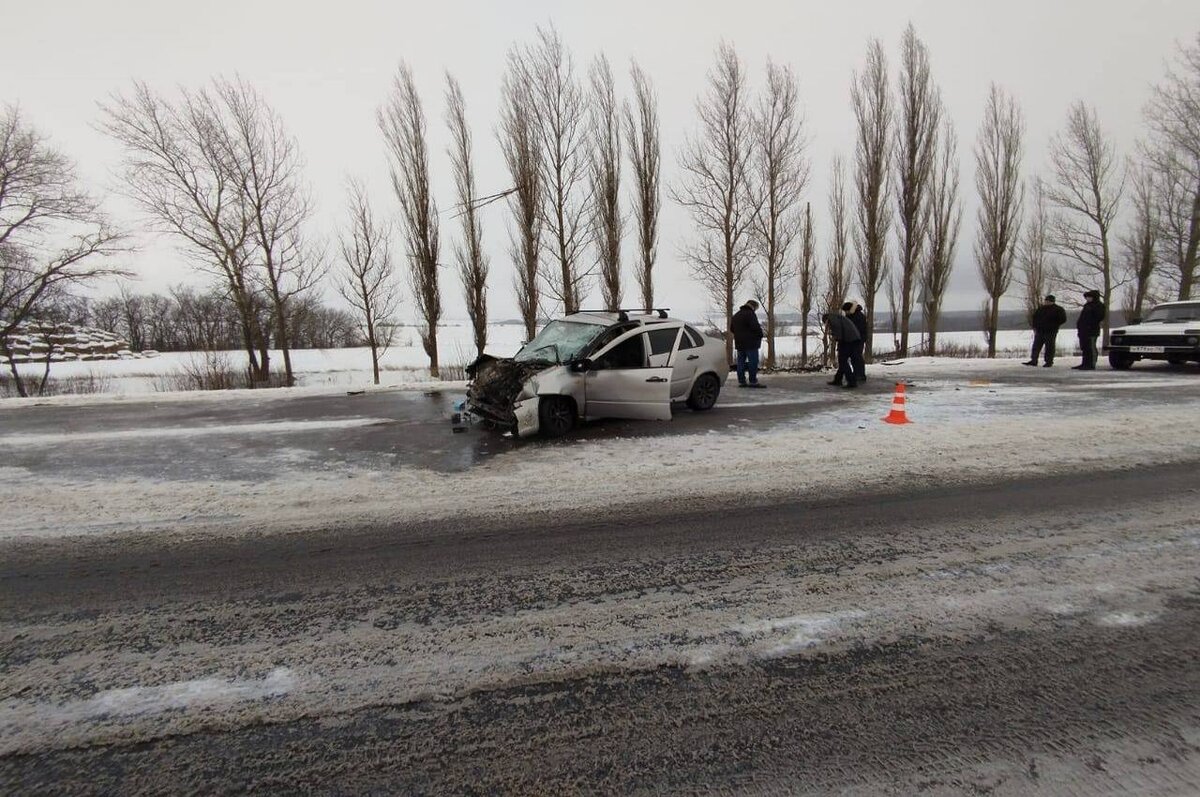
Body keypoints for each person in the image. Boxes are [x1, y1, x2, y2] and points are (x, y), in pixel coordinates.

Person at [1023, 294, 1067, 367]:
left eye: (1048, 301)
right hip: (1040, 330)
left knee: (1049, 346)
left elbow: (1063, 319)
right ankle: (1034, 360)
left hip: (1051, 331)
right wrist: (1035, 326)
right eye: (1046, 301)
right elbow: (1035, 317)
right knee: (1036, 346)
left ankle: (1049, 361)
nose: (1046, 302)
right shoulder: (1041, 309)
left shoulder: (1058, 309)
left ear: (1052, 301)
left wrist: (1054, 325)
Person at [731, 299, 765, 388]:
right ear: (753, 307)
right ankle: (753, 381)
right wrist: (760, 335)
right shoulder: (750, 314)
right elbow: (755, 327)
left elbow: (732, 329)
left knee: (740, 362)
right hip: (751, 343)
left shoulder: (736, 315)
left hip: (739, 343)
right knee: (753, 362)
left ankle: (742, 381)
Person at [825, 310, 863, 388]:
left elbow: (839, 333)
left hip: (848, 340)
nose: (827, 326)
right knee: (843, 361)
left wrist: (837, 339)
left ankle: (851, 381)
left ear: (827, 320)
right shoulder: (837, 318)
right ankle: (838, 380)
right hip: (853, 339)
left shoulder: (833, 320)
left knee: (843, 361)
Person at [1073, 290, 1105, 370]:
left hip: (1092, 330)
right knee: (1084, 348)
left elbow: (1099, 317)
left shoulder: (1099, 305)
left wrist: (1090, 325)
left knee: (1091, 348)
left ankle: (1091, 364)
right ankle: (1085, 363)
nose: (1087, 299)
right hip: (1083, 330)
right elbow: (1083, 317)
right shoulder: (1087, 305)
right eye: (1087, 297)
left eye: (1089, 297)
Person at [842, 300, 868, 382]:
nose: (845, 312)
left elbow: (858, 329)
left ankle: (860, 374)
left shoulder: (859, 316)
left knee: (857, 357)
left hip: (858, 339)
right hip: (854, 339)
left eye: (846, 311)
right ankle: (857, 373)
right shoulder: (852, 316)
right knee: (854, 357)